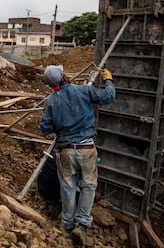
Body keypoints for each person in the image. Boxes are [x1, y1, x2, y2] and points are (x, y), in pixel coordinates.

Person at [38, 64, 115, 245]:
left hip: (65, 151)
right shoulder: (83, 90)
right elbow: (108, 96)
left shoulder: (50, 101)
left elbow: (44, 128)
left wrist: (60, 122)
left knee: (67, 188)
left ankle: (67, 227)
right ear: (64, 75)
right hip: (87, 149)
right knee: (88, 186)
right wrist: (109, 80)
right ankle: (82, 224)